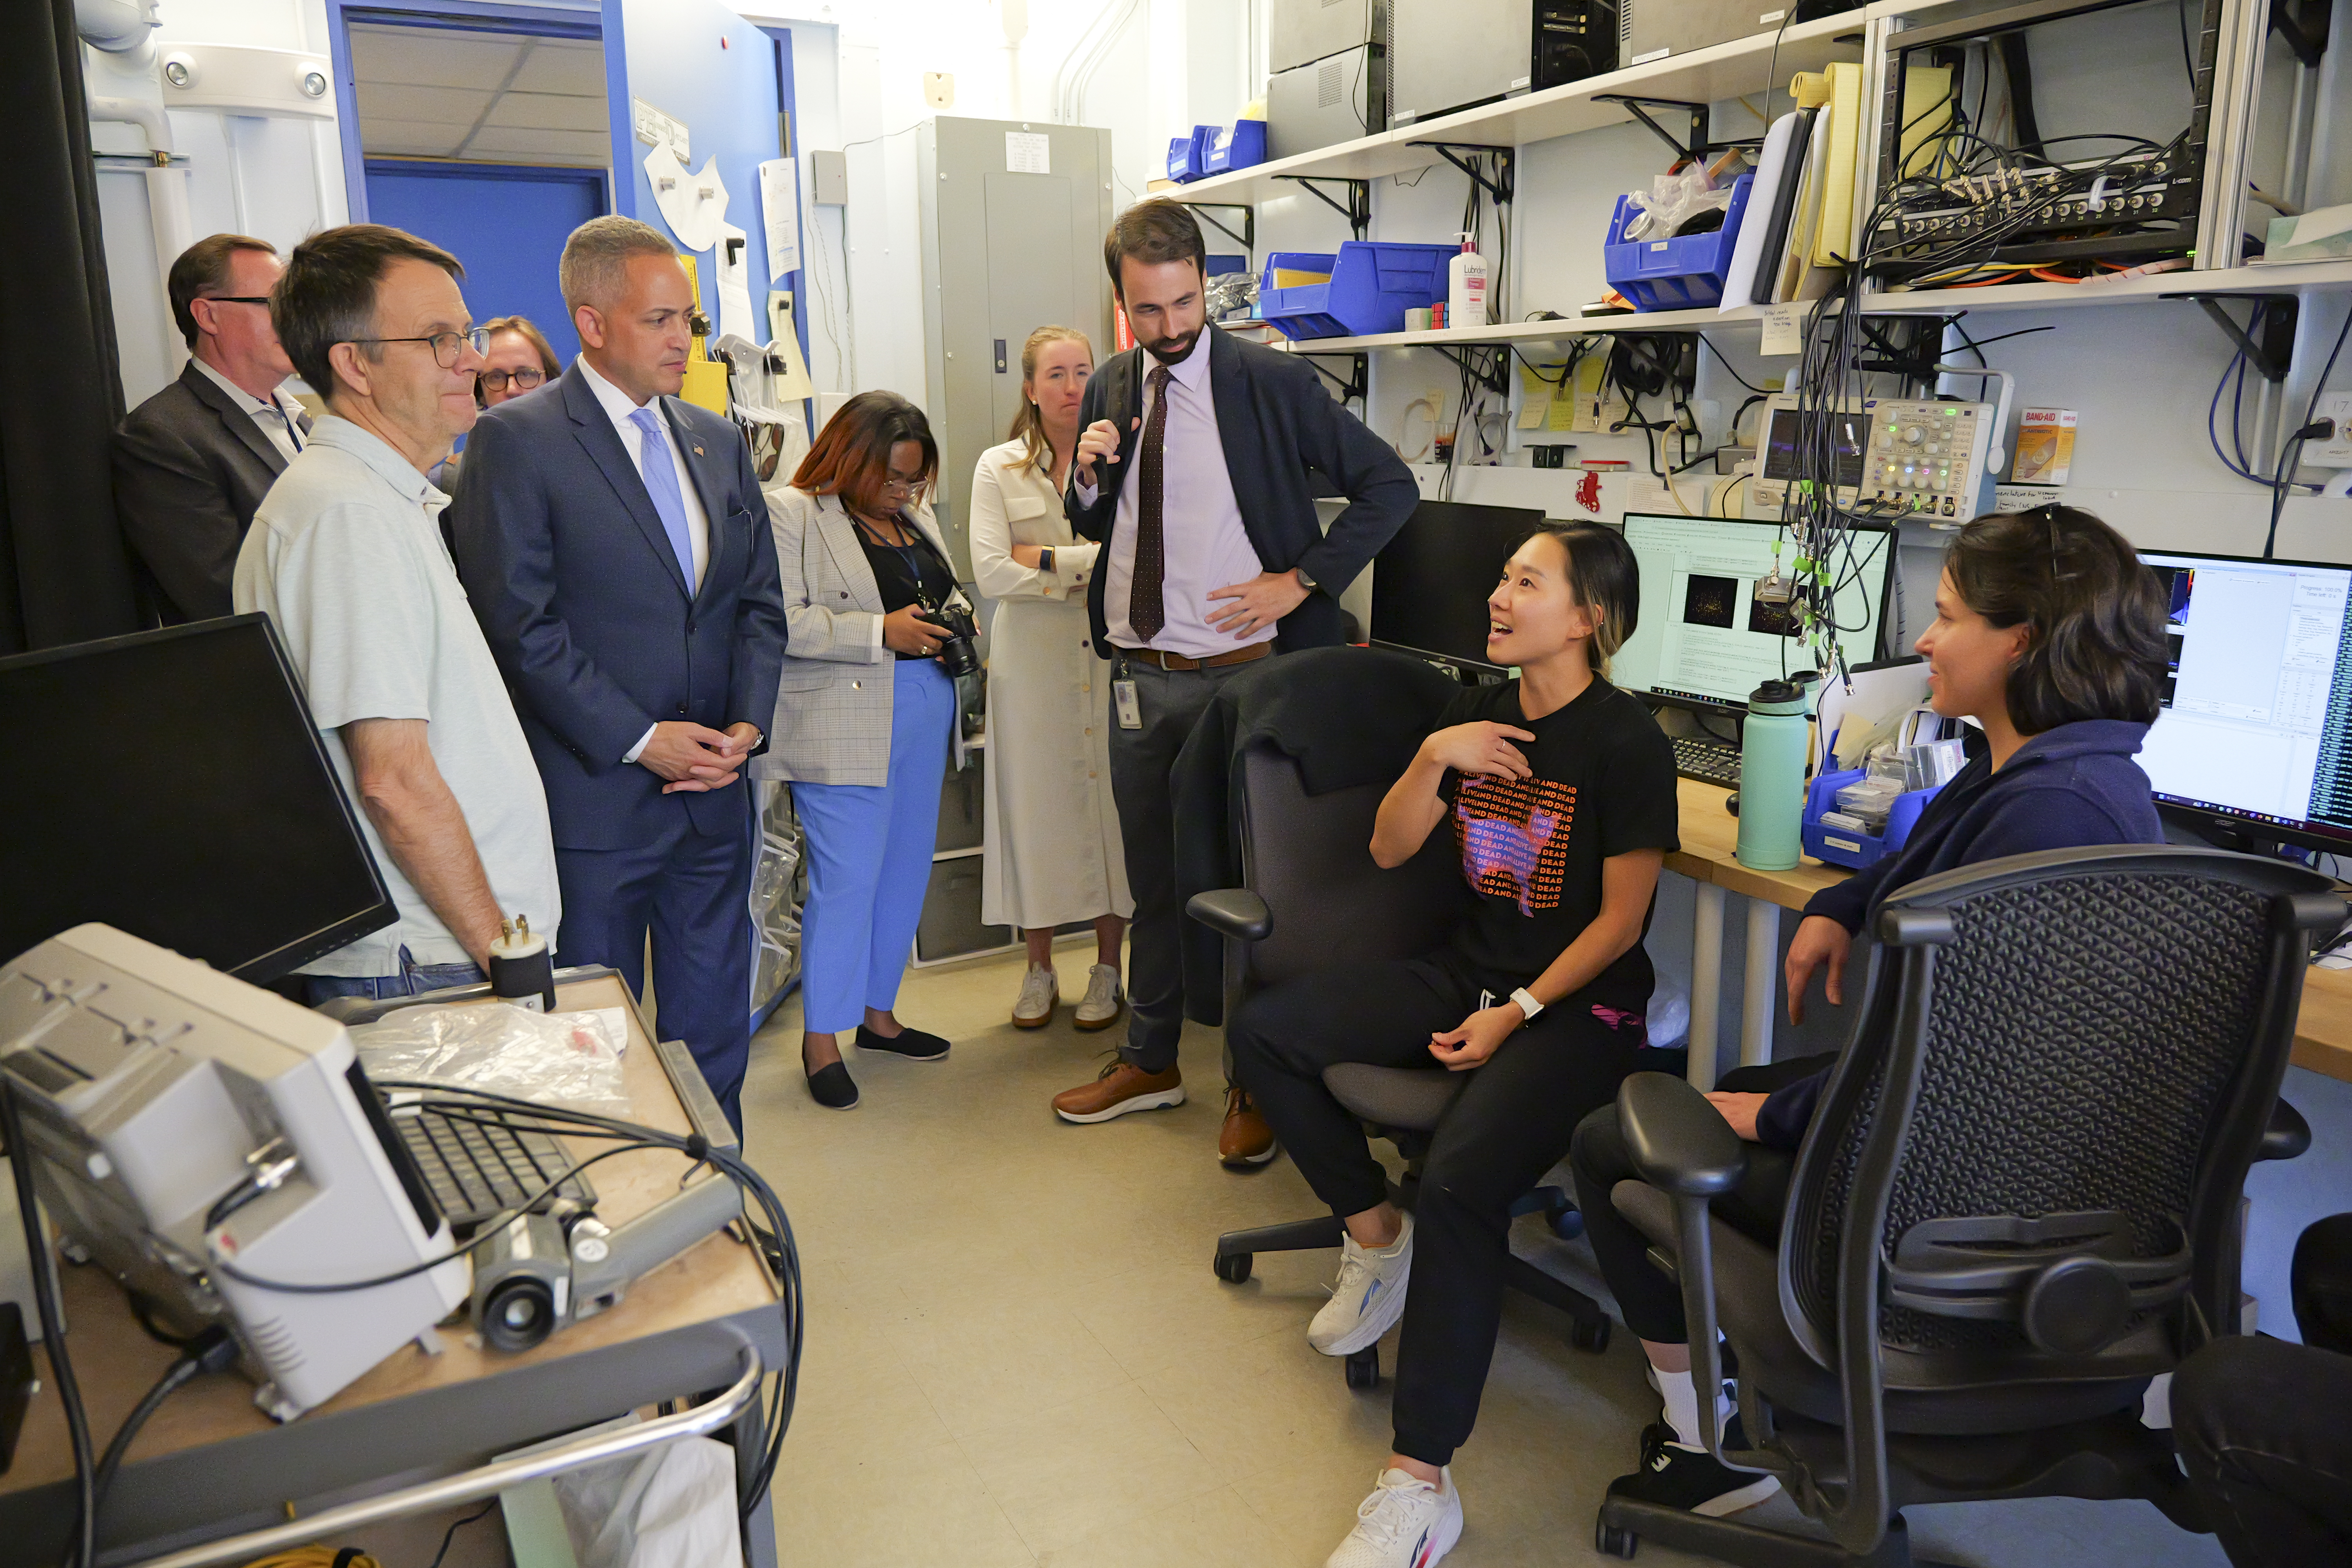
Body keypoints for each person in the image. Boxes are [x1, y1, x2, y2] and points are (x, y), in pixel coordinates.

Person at [1570, 503, 2169, 1521]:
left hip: (1929, 1193)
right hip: (1955, 1153)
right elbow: (1917, 862)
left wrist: (1774, 1121)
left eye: (1946, 618)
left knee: (1612, 1136)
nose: (1926, 641)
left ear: (2018, 640)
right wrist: (1842, 909)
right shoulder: (2038, 771)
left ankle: (1713, 1445)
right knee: (1736, 1089)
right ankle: (1744, 1373)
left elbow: (1956, 1079)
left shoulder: (2050, 817)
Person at [1227, 523, 1685, 1568]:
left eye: (1528, 582)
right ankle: (1375, 1237)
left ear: (1588, 618)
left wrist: (1516, 1012)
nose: (1499, 594)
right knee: (1267, 1033)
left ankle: (1419, 1483)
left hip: (1582, 1011)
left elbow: (1620, 926)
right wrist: (1438, 753)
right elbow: (1391, 846)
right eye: (1502, 576)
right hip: (1467, 970)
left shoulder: (1628, 743)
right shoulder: (1473, 713)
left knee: (1466, 1182)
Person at [1050, 199, 1416, 1164]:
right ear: (1121, 299)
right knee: (1156, 881)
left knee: (1261, 888)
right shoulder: (1114, 384)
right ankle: (1151, 1058)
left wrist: (1299, 581)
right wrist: (1085, 478)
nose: (1168, 331)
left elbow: (1391, 486)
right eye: (1147, 311)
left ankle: (1256, 1082)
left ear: (1202, 285)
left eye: (1181, 307)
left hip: (1250, 680)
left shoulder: (1268, 381)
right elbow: (1095, 525)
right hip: (1143, 675)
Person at [450, 217, 786, 1135]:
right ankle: (617, 1218)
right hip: (599, 798)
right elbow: (520, 627)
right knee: (595, 1035)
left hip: (716, 791)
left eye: (689, 318)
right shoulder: (516, 441)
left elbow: (756, 602)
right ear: (592, 324)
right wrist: (641, 738)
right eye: (660, 320)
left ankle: (716, 1198)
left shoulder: (717, 440)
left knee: (715, 1024)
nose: (683, 339)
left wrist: (746, 731)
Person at [232, 224, 559, 1004]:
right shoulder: (349, 514)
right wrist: (502, 951)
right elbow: (394, 782)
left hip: (445, 942)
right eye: (441, 340)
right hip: (431, 950)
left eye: (467, 334)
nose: (473, 360)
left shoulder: (381, 497)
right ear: (354, 363)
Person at [755, 393, 967, 1111]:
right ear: (852, 459)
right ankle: (822, 1041)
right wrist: (880, 633)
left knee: (905, 871)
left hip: (923, 707)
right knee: (848, 882)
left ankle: (880, 1017)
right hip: (845, 718)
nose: (905, 491)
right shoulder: (792, 514)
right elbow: (781, 622)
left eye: (915, 478)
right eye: (893, 478)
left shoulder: (913, 514)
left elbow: (938, 589)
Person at [968, 326, 1131, 1033]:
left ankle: (1108, 969)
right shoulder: (997, 468)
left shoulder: (1124, 461)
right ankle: (1038, 969)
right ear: (1030, 388)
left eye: (1082, 373)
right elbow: (991, 571)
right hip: (1030, 662)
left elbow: (1139, 557)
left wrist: (1046, 561)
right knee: (1033, 808)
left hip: (1106, 653)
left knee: (1110, 811)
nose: (1070, 388)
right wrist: (1084, 567)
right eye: (1055, 375)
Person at [114, 233, 312, 624]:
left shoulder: (299, 417)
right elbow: (228, 599)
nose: (298, 321)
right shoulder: (161, 437)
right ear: (208, 316)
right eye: (277, 304)